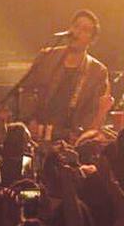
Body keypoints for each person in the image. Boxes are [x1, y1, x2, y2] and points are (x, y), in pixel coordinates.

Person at [14, 9, 111, 141]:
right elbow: (27, 89)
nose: (77, 32)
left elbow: (94, 111)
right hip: (39, 134)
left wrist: (78, 135)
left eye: (85, 29)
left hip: (70, 138)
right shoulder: (47, 57)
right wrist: (30, 119)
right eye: (76, 26)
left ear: (91, 39)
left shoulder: (97, 71)